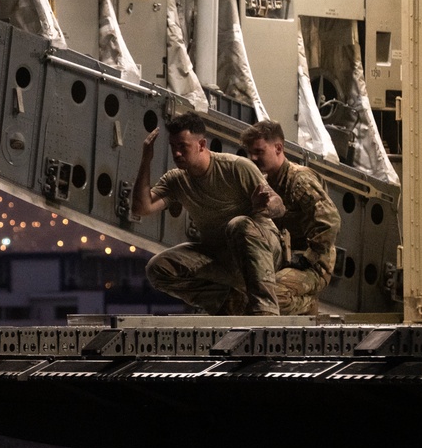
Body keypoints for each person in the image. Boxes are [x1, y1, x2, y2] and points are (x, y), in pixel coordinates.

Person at [132, 112, 285, 315]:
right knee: (158, 268)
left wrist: (264, 206)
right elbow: (141, 208)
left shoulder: (236, 167)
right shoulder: (176, 180)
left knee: (239, 225)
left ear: (201, 145)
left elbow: (279, 205)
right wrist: (146, 160)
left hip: (263, 252)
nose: (176, 154)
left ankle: (265, 313)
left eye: (183, 147)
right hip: (221, 256)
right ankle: (229, 302)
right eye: (173, 147)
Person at [241, 120, 341, 315]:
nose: (252, 157)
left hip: (313, 264)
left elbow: (331, 221)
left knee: (273, 296)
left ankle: (307, 303)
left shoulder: (299, 180)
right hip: (286, 260)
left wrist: (307, 258)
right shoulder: (267, 184)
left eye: (259, 151)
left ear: (278, 148)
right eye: (250, 152)